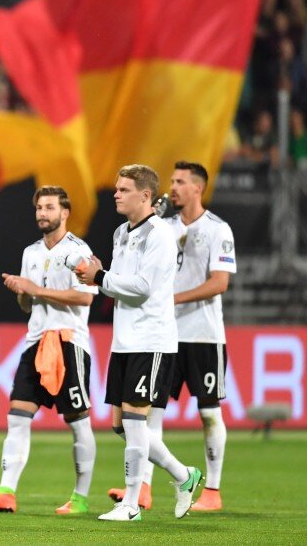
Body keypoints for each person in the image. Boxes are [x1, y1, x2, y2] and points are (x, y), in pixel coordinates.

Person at [77, 164, 204, 521]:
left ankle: (131, 504)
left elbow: (143, 289)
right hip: (124, 340)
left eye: (123, 189)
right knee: (120, 424)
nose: (116, 194)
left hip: (151, 339)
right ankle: (183, 474)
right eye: (117, 188)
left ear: (145, 195)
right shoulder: (121, 232)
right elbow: (120, 283)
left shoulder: (160, 235)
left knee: (135, 423)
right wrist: (100, 276)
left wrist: (100, 277)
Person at [109, 162, 236, 512]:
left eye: (180, 181)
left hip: (202, 334)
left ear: (198, 188)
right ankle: (146, 487)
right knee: (145, 417)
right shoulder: (163, 226)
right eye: (172, 180)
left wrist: (171, 298)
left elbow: (220, 282)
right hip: (161, 330)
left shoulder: (217, 229)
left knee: (208, 412)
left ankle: (212, 489)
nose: (174, 187)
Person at [0, 186, 97, 515]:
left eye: (49, 207)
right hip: (35, 341)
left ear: (64, 213)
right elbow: (27, 304)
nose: (42, 213)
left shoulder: (79, 251)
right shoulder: (31, 252)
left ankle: (80, 498)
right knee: (17, 416)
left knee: (77, 420)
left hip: (68, 342)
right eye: (39, 207)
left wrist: (34, 288)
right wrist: (22, 292)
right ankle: (6, 491)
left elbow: (85, 297)